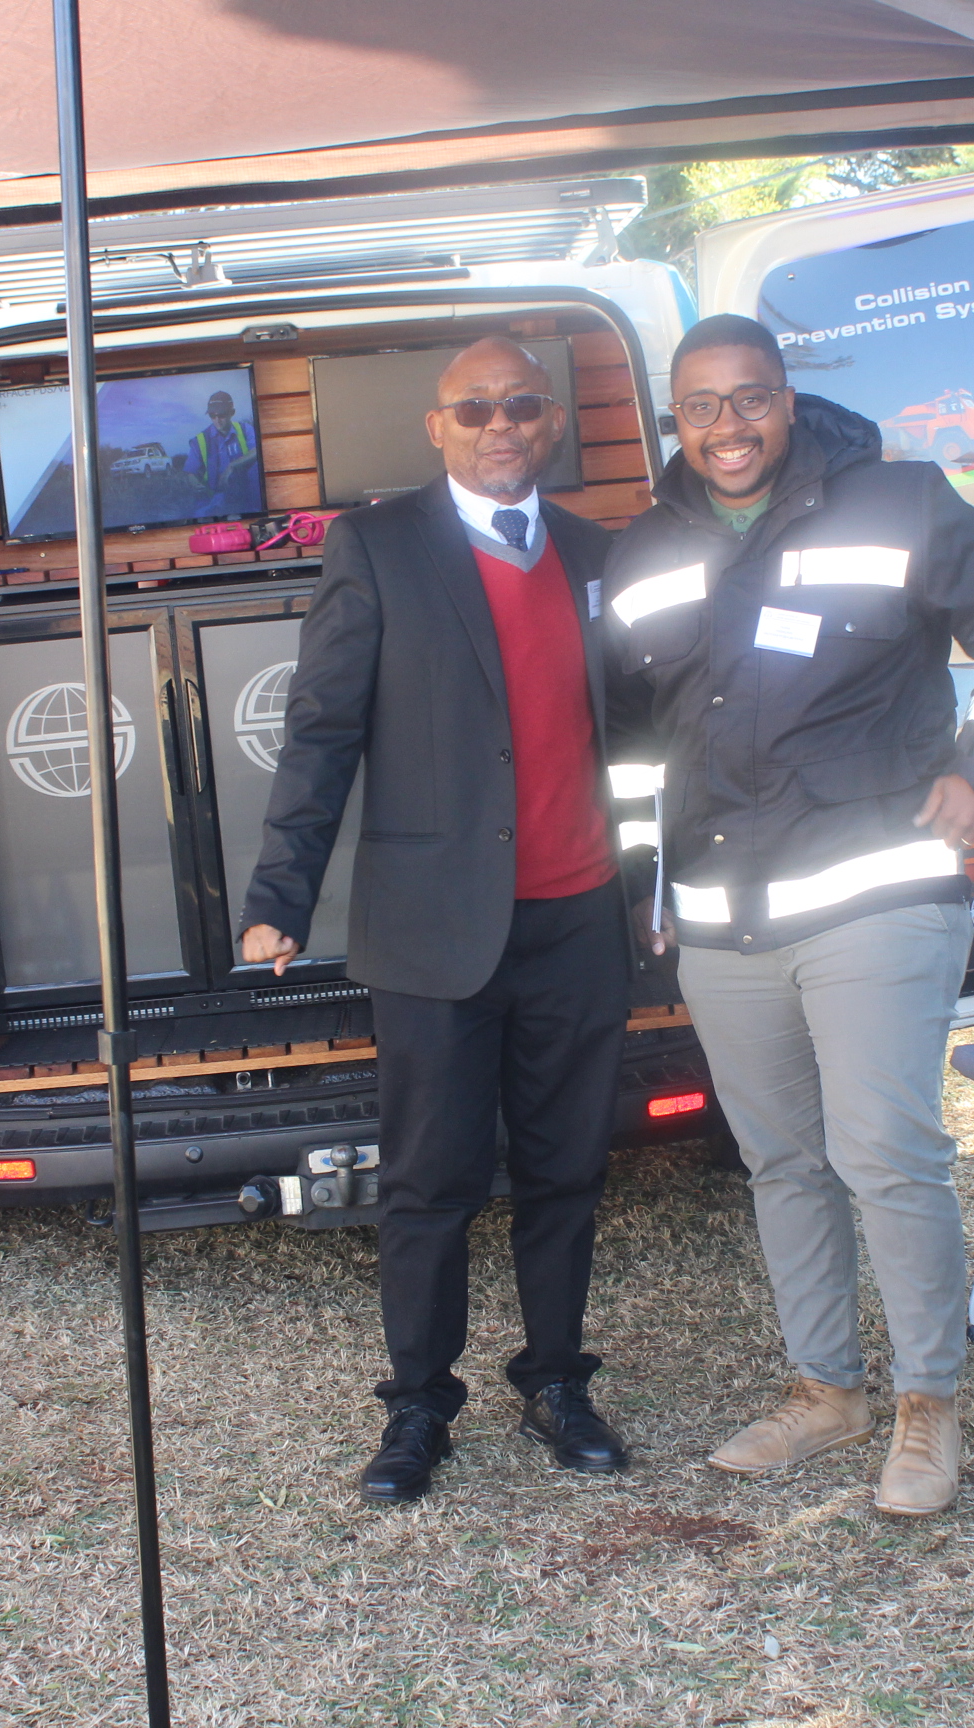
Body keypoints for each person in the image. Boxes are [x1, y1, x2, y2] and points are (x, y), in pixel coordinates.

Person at [601, 314, 974, 1516]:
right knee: (782, 1162)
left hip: (875, 893)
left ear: (788, 399)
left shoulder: (898, 502)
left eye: (750, 398)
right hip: (722, 917)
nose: (728, 426)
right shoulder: (642, 550)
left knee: (885, 1153)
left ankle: (927, 1404)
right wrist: (646, 877)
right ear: (675, 417)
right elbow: (632, 742)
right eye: (701, 406)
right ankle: (827, 1391)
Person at [239, 337, 631, 1503]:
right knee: (427, 1184)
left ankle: (556, 1381)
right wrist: (279, 897)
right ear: (437, 426)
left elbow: (644, 734)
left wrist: (659, 886)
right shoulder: (376, 545)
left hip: (579, 918)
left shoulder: (598, 554)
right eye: (475, 409)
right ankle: (418, 1405)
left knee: (567, 1172)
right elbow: (322, 730)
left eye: (521, 405)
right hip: (430, 930)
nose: (499, 425)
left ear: (550, 421)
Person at [176, 389, 263, 518]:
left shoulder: (245, 429)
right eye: (212, 415)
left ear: (232, 413)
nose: (217, 420)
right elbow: (190, 472)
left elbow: (258, 450)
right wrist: (195, 483)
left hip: (248, 497)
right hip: (215, 499)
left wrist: (232, 466)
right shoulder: (200, 440)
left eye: (222, 415)